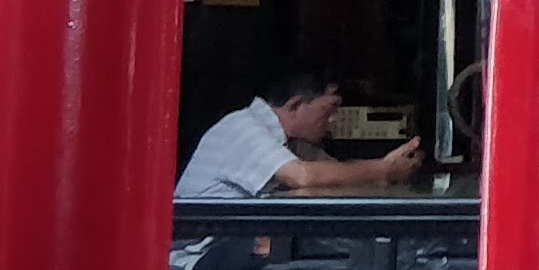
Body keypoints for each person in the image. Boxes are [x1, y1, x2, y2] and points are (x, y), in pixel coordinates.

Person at [176, 67, 423, 202]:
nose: (333, 121)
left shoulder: (294, 143)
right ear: (295, 105)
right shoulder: (243, 127)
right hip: (200, 259)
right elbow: (303, 177)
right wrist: (384, 169)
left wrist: (388, 170)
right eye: (329, 110)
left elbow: (337, 176)